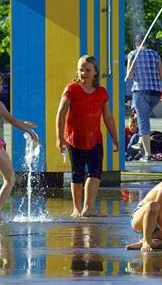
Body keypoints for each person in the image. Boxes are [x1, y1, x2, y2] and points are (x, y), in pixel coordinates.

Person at [56, 55, 119, 218]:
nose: (84, 73)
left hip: (95, 138)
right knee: (77, 173)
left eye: (88, 70)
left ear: (95, 72)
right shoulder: (71, 89)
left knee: (95, 172)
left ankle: (88, 207)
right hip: (74, 138)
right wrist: (59, 137)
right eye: (81, 70)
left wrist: (115, 137)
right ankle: (76, 208)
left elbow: (108, 117)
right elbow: (61, 114)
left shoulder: (102, 92)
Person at [0, 69, 39, 222]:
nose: (2, 88)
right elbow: (11, 120)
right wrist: (29, 131)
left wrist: (23, 123)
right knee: (10, 179)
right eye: (0, 84)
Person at [125, 34, 162, 162]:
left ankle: (147, 154)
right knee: (143, 118)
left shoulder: (133, 54)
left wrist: (130, 72)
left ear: (136, 43)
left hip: (141, 91)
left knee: (143, 123)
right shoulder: (155, 54)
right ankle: (140, 143)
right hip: (156, 93)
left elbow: (130, 75)